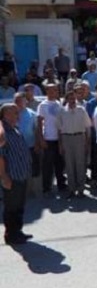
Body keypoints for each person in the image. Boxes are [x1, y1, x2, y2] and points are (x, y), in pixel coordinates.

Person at [0, 103, 33, 245]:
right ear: (5, 115)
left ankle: (17, 231)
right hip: (12, 176)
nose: (17, 115)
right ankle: (11, 235)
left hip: (21, 174)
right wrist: (4, 176)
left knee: (19, 206)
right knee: (11, 207)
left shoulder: (15, 129)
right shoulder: (2, 133)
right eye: (14, 113)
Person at [57, 91, 91, 198]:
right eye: (70, 98)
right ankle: (71, 189)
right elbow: (59, 129)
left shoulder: (81, 110)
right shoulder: (62, 111)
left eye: (74, 98)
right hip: (67, 138)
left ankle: (81, 189)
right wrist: (60, 145)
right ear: (66, 99)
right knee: (69, 165)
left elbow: (87, 127)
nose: (72, 101)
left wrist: (87, 143)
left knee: (80, 164)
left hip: (79, 137)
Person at [37, 83, 66, 195]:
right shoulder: (42, 105)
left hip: (58, 139)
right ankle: (46, 187)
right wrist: (41, 139)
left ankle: (61, 184)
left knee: (60, 163)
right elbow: (39, 123)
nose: (54, 92)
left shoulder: (59, 104)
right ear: (47, 91)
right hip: (48, 139)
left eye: (56, 90)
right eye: (52, 90)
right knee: (47, 165)